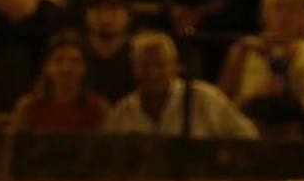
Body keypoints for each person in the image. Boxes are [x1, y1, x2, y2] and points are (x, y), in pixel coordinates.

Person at [103, 31, 260, 138]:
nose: (152, 73)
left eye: (159, 65)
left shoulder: (205, 99)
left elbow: (247, 136)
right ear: (134, 68)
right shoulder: (122, 113)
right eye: (145, 65)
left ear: (175, 67)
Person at [218, 0, 304, 137]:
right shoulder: (244, 50)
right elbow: (223, 101)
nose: (284, 17)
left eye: (292, 9)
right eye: (278, 8)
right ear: (266, 12)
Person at [11, 29, 107, 132]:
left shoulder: (98, 109)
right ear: (47, 67)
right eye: (58, 60)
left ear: (85, 68)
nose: (66, 68)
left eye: (74, 61)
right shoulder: (28, 108)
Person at [81, 0, 133, 103]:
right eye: (97, 9)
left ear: (128, 14)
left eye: (113, 9)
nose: (105, 17)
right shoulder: (75, 55)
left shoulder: (138, 56)